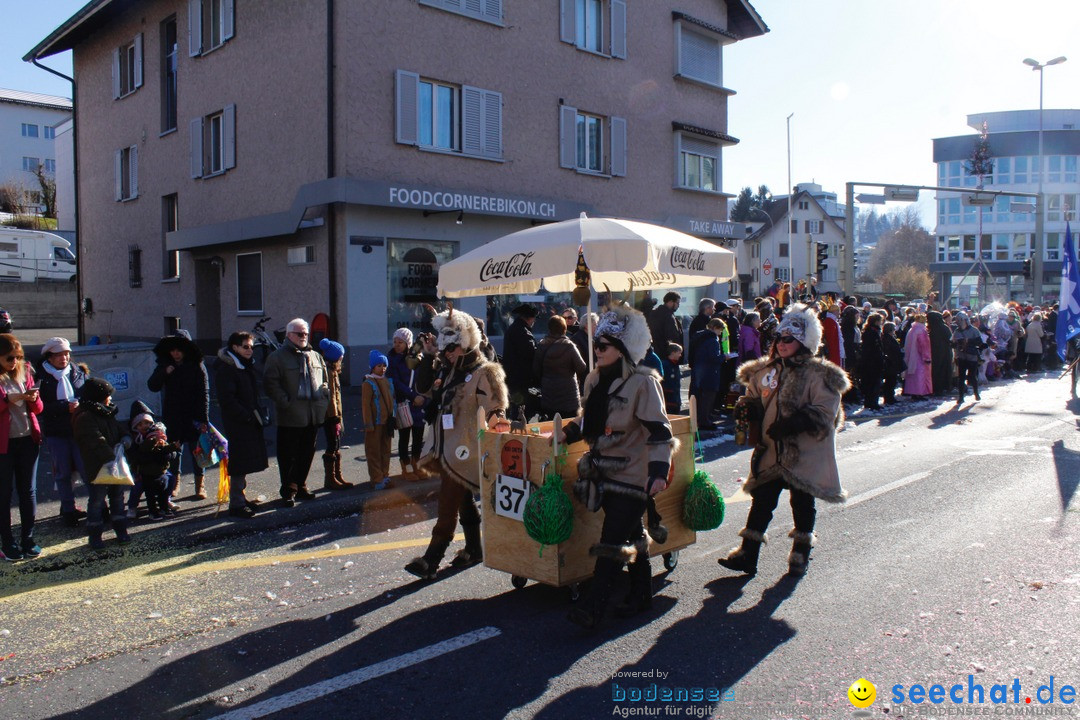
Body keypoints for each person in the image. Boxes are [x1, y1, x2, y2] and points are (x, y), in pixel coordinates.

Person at [556, 299, 676, 628]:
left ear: (622, 349)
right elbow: (587, 419)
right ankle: (641, 595)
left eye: (604, 345)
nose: (597, 350)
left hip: (633, 474)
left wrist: (657, 471)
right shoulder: (595, 380)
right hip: (602, 472)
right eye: (596, 344)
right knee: (633, 533)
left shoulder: (643, 382)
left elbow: (660, 430)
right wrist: (566, 434)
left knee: (611, 541)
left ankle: (593, 608)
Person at [717, 304, 849, 577]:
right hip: (771, 451)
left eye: (788, 339)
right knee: (762, 500)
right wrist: (748, 408)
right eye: (778, 338)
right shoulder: (768, 371)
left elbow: (826, 411)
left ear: (802, 342)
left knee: (802, 502)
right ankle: (747, 554)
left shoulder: (818, 373)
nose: (781, 344)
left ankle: (800, 552)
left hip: (803, 452)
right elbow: (756, 397)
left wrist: (793, 424)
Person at [404, 307, 507, 580]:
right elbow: (423, 388)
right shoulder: (448, 369)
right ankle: (474, 548)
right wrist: (428, 355)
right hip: (446, 446)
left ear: (464, 343)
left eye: (451, 346)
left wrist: (496, 424)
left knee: (447, 503)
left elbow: (497, 408)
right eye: (443, 346)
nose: (446, 351)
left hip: (467, 450)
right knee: (461, 500)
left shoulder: (485, 372)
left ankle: (431, 559)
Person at [263, 318, 329, 506]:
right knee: (288, 455)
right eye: (299, 334)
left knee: (307, 453)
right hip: (290, 416)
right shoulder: (277, 357)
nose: (303, 337)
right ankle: (289, 490)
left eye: (306, 334)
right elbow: (271, 384)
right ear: (289, 335)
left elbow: (324, 380)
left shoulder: (315, 356)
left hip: (312, 415)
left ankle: (301, 485)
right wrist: (285, 402)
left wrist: (324, 398)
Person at [147, 330, 209, 500]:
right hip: (173, 413)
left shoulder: (197, 366)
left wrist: (204, 418)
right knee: (175, 450)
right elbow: (152, 385)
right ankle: (175, 482)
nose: (176, 353)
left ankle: (200, 484)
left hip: (193, 413)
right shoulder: (165, 365)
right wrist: (164, 372)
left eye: (179, 350)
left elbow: (204, 392)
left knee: (197, 450)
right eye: (173, 350)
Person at [214, 331, 270, 518]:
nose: (250, 350)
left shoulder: (243, 365)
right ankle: (236, 504)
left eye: (251, 347)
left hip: (247, 420)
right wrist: (246, 416)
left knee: (245, 461)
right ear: (235, 347)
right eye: (245, 346)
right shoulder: (228, 368)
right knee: (239, 462)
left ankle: (240, 498)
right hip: (238, 422)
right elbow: (228, 400)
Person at [36, 337, 89, 527]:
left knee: (86, 469)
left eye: (66, 354)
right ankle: (68, 510)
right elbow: (38, 406)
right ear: (49, 357)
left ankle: (98, 507)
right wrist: (63, 407)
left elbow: (89, 395)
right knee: (63, 472)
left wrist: (80, 405)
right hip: (56, 431)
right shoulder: (40, 376)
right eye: (58, 355)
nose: (64, 358)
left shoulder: (78, 372)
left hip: (78, 428)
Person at [73, 378, 129, 550]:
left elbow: (119, 429)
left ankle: (121, 530)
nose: (110, 399)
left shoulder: (107, 412)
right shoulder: (85, 417)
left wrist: (126, 438)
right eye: (107, 396)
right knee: (97, 501)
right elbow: (95, 441)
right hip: (97, 467)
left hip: (113, 465)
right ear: (99, 397)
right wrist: (112, 458)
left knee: (117, 498)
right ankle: (95, 535)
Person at [0, 334, 43, 561]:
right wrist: (10, 399)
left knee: (28, 492)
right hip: (3, 446)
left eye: (17, 357)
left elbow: (38, 409)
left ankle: (28, 539)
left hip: (28, 439)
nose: (14, 362)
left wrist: (32, 397)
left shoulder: (24, 371)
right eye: (9, 358)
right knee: (4, 494)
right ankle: (7, 542)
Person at [126, 401, 177, 520]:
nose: (144, 426)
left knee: (170, 479)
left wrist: (169, 453)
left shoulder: (158, 434)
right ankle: (132, 506)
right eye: (140, 424)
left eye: (147, 423)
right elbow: (136, 456)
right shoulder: (135, 439)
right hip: (142, 470)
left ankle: (165, 500)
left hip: (159, 468)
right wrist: (153, 455)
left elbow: (170, 451)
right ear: (135, 427)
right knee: (137, 486)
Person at [388, 328, 427, 481]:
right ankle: (406, 468)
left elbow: (423, 378)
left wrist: (422, 397)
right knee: (404, 437)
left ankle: (416, 464)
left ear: (408, 343)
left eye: (401, 342)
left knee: (418, 437)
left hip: (419, 403)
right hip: (404, 402)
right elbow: (395, 382)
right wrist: (412, 395)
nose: (397, 345)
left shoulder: (417, 357)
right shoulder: (392, 359)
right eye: (395, 342)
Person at [533, 314, 588, 420]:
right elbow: (581, 367)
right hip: (569, 397)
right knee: (569, 426)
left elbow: (536, 370)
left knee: (550, 427)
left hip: (549, 396)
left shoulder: (541, 345)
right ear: (564, 329)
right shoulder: (569, 346)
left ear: (549, 328)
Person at [318, 339, 353, 490]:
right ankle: (330, 478)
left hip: (334, 415)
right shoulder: (330, 373)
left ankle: (336, 475)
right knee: (332, 444)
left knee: (336, 444)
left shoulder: (332, 372)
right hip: (331, 416)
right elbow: (332, 397)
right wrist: (335, 417)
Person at [361, 350, 395, 490]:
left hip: (386, 422)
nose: (382, 368)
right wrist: (368, 423)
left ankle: (385, 475)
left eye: (384, 365)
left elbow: (392, 400)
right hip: (375, 423)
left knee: (386, 450)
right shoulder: (368, 383)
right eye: (379, 365)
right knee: (373, 451)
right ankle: (376, 478)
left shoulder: (387, 381)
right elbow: (366, 405)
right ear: (373, 367)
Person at [502, 304, 538, 421]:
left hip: (514, 378)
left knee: (517, 407)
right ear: (530, 318)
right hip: (520, 380)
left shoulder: (514, 329)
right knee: (520, 410)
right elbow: (530, 353)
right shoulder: (522, 332)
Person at [692, 318, 727, 432]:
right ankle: (705, 421)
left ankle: (701, 419)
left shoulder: (700, 336)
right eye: (720, 329)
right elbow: (714, 358)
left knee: (701, 397)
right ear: (715, 328)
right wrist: (724, 357)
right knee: (708, 398)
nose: (721, 332)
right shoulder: (713, 340)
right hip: (710, 372)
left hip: (699, 370)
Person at [951, 312, 983, 403]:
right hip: (961, 357)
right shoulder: (956, 331)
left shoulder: (974, 330)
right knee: (961, 377)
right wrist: (955, 343)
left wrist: (968, 341)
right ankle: (961, 397)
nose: (958, 322)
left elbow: (979, 342)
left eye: (959, 320)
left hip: (972, 356)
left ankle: (976, 393)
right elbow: (953, 343)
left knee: (972, 376)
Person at [858, 313, 885, 410]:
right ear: (876, 322)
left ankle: (870, 401)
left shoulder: (869, 331)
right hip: (873, 361)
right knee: (874, 382)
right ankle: (872, 402)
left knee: (871, 382)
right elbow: (873, 348)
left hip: (870, 361)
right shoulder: (872, 332)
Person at [902, 313, 933, 399]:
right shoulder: (922, 330)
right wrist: (927, 357)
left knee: (912, 375)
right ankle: (920, 392)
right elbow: (924, 345)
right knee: (920, 375)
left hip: (911, 356)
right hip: (919, 357)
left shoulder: (912, 330)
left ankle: (913, 392)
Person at [647, 291, 683, 358]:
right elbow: (672, 336)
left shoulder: (653, 313)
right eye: (677, 303)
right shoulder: (668, 316)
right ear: (670, 302)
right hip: (667, 354)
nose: (678, 305)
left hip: (655, 351)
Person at [926, 311, 954, 396]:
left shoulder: (931, 328)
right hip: (944, 352)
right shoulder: (944, 327)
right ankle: (942, 388)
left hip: (935, 352)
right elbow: (950, 339)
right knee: (943, 369)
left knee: (935, 370)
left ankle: (935, 388)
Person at [881, 321, 904, 405]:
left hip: (890, 363)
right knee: (890, 381)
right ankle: (889, 398)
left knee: (890, 381)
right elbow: (891, 351)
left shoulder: (885, 338)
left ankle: (889, 397)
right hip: (890, 363)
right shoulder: (888, 339)